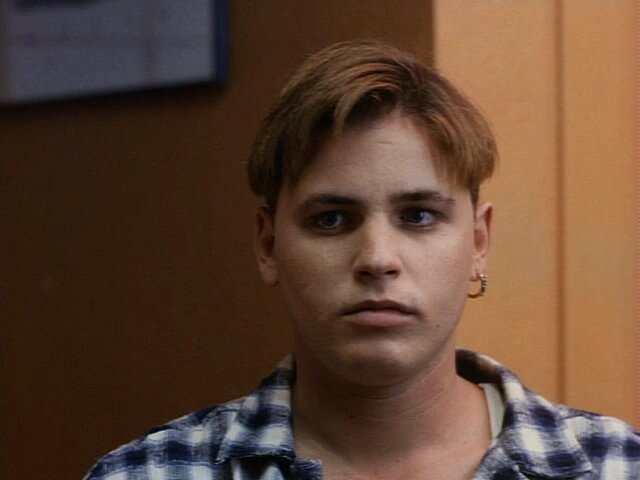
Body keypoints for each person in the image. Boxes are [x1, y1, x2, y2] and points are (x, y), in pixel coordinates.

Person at [85, 40, 639, 480]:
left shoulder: (616, 466)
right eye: (331, 219)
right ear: (268, 245)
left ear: (478, 242)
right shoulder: (150, 473)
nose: (377, 259)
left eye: (418, 216)